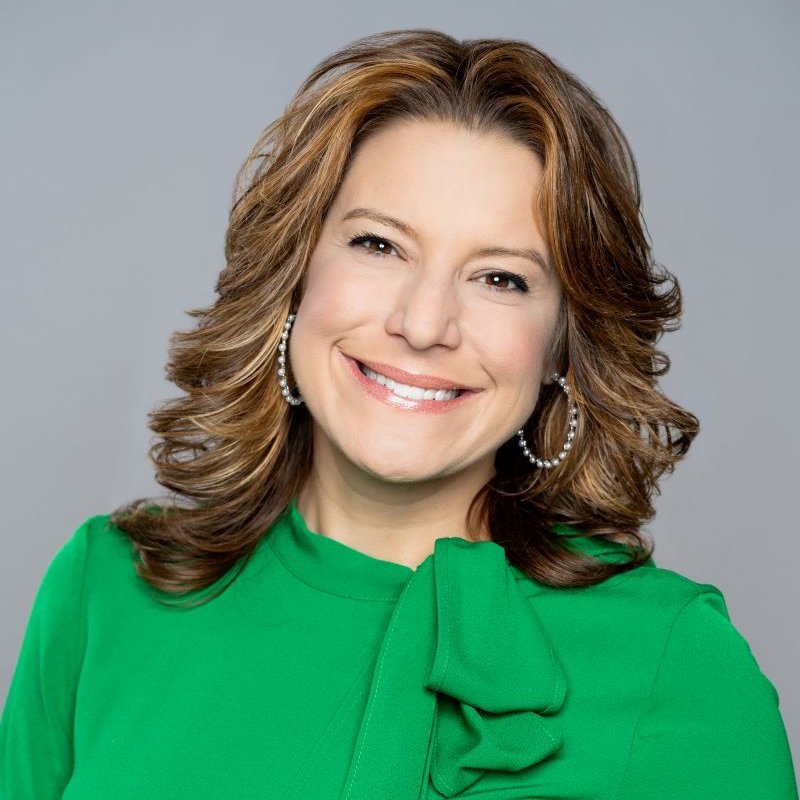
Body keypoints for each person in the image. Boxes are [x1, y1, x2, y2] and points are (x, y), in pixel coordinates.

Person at [1, 27, 797, 800]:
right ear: (295, 273)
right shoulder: (106, 590)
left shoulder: (677, 665)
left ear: (562, 349)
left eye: (501, 278)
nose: (423, 325)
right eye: (380, 245)